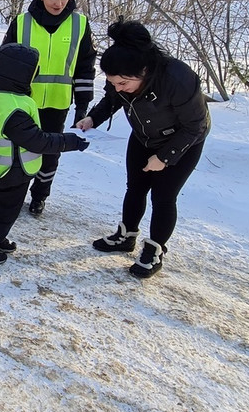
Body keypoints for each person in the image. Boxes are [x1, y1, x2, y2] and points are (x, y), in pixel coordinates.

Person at [77, 17, 210, 279]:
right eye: (113, 82)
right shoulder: (120, 70)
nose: (118, 87)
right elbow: (112, 98)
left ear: (144, 72)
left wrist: (164, 157)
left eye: (123, 83)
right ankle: (126, 236)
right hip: (143, 136)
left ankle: (155, 250)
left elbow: (196, 126)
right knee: (135, 187)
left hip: (183, 142)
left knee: (163, 196)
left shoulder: (178, 79)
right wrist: (93, 118)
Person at [0, 43, 89, 264]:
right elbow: (38, 141)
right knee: (6, 210)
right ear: (21, 75)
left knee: (5, 208)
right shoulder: (14, 109)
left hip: (9, 167)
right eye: (34, 71)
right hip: (12, 171)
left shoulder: (5, 97)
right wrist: (68, 141)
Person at [3, 0, 97, 217]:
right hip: (23, 103)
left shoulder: (79, 24)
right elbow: (4, 62)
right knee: (22, 149)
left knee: (50, 153)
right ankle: (16, 193)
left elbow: (85, 67)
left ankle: (40, 196)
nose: (58, 3)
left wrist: (82, 106)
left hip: (58, 103)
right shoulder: (22, 23)